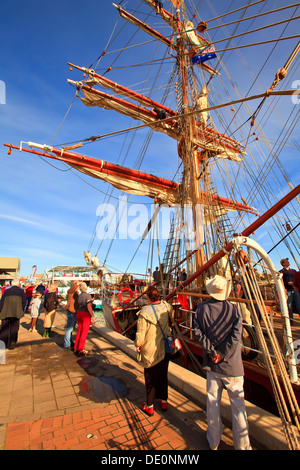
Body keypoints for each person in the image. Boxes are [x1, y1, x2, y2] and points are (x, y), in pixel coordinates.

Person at [194, 275, 251, 450]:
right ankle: (242, 446)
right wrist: (222, 354)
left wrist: (213, 353)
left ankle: (213, 441)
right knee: (238, 407)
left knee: (212, 405)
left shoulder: (200, 309)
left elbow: (198, 332)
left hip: (212, 365)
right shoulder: (234, 310)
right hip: (232, 367)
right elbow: (236, 338)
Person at [135, 285, 173, 416]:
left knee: (150, 377)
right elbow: (169, 307)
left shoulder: (144, 311)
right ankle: (164, 401)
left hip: (150, 349)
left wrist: (138, 344)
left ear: (148, 297)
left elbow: (141, 332)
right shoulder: (165, 307)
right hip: (165, 347)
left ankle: (149, 406)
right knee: (163, 375)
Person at [0, 279, 26, 349]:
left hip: (6, 312)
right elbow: (24, 302)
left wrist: (0, 310)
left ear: (11, 284)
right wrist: (21, 310)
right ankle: (12, 342)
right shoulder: (21, 291)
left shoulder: (6, 291)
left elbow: (1, 302)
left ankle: (3, 343)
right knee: (14, 328)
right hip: (16, 313)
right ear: (18, 284)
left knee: (4, 328)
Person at [74, 282, 95, 357]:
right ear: (86, 288)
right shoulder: (87, 295)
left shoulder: (80, 296)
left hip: (79, 313)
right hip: (85, 314)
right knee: (84, 332)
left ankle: (76, 346)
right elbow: (89, 307)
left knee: (80, 330)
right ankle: (81, 348)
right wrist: (92, 316)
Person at [64, 281, 79, 350]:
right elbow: (73, 288)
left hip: (73, 311)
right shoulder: (70, 291)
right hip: (71, 311)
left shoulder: (74, 293)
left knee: (71, 328)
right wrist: (76, 283)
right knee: (69, 328)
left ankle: (69, 341)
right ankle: (67, 344)